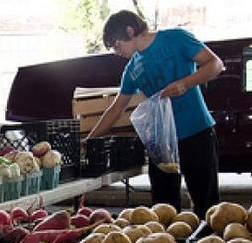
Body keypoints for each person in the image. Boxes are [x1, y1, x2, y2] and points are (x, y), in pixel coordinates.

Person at [86, 10, 223, 219]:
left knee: (207, 206)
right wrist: (88, 141)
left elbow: (215, 64)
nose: (116, 51)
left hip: (196, 132)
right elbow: (115, 109)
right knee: (163, 210)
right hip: (161, 144)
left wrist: (185, 84)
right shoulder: (131, 69)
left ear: (129, 31)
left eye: (116, 44)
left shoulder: (176, 38)